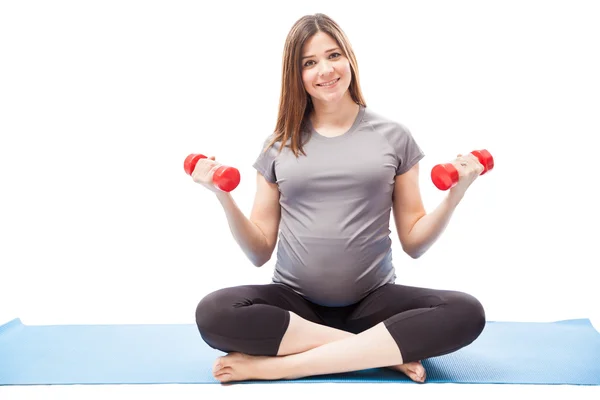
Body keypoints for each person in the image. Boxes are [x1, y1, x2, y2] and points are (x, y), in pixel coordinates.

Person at [192, 13, 486, 384]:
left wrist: (455, 195)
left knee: (466, 312)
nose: (325, 70)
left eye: (333, 56)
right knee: (214, 312)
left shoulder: (393, 136)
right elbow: (258, 251)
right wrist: (223, 197)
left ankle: (281, 368)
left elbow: (414, 242)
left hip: (373, 303)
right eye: (309, 63)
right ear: (295, 75)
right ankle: (375, 354)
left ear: (349, 58)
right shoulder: (279, 145)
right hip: (295, 308)